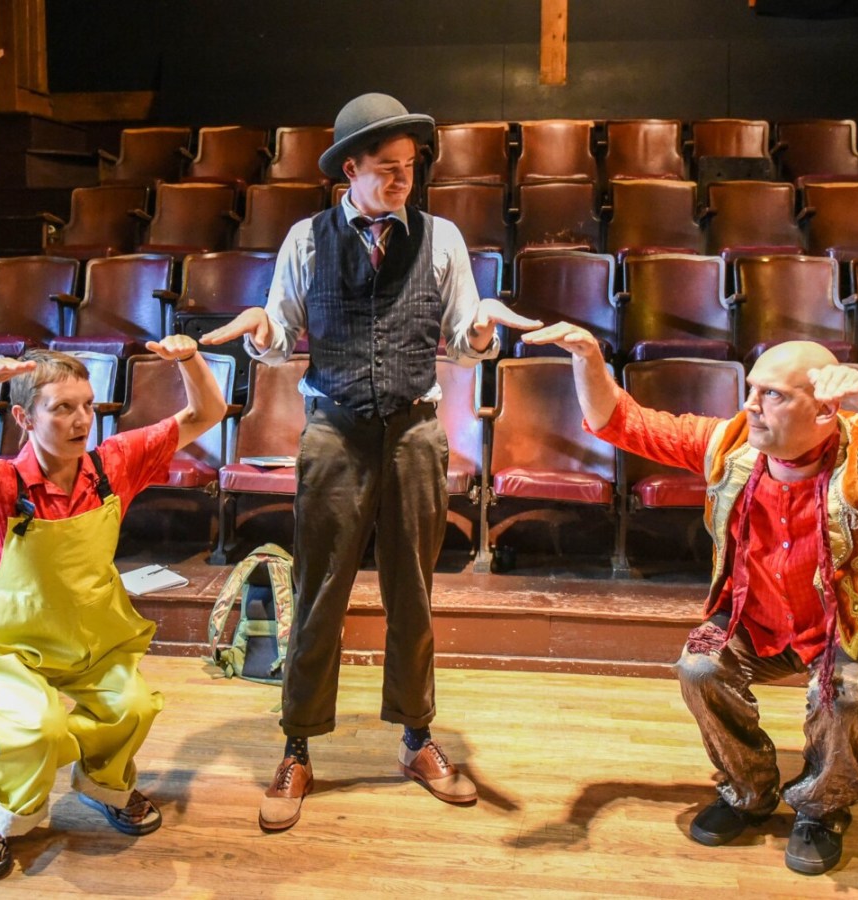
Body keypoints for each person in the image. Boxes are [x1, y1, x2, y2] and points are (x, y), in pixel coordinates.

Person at [200, 92, 540, 831]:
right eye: (385, 167)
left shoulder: (442, 239)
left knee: (412, 591)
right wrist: (262, 329)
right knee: (319, 590)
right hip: (335, 429)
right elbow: (278, 333)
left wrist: (483, 332)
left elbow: (464, 342)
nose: (401, 180)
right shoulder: (307, 240)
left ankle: (416, 738)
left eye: (409, 167)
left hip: (415, 430)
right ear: (348, 170)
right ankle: (297, 746)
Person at [522, 324, 858, 876]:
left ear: (825, 411)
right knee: (699, 667)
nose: (750, 405)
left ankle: (821, 809)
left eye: (771, 394)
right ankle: (748, 791)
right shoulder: (728, 445)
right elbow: (621, 421)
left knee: (846, 697)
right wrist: (587, 355)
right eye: (751, 389)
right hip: (756, 620)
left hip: (848, 623)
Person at [0, 337, 227, 880]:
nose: (81, 419)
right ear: (23, 417)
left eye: (87, 405)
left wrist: (188, 359)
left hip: (91, 638)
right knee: (38, 728)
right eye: (62, 408)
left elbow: (206, 413)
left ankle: (105, 786)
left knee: (133, 706)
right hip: (12, 646)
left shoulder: (113, 464)